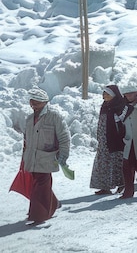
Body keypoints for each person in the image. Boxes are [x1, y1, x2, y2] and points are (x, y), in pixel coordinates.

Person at [22, 87, 70, 225]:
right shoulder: (30, 118)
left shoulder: (54, 116)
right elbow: (27, 140)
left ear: (44, 102)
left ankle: (39, 215)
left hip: (47, 157)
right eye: (32, 102)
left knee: (41, 184)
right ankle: (53, 204)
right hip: (32, 158)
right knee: (39, 183)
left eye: (36, 103)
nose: (33, 106)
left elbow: (64, 137)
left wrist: (63, 156)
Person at [90, 84, 125, 195]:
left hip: (115, 141)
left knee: (116, 163)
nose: (104, 95)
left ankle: (122, 184)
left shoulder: (119, 106)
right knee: (103, 163)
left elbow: (123, 124)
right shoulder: (105, 106)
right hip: (104, 141)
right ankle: (104, 187)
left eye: (107, 93)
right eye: (104, 93)